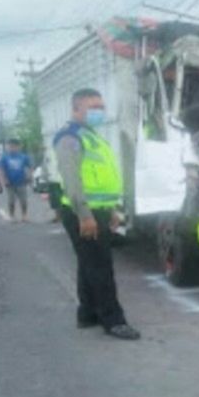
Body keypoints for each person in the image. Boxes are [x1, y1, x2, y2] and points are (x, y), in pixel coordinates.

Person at [54, 88, 141, 340]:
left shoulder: (91, 136)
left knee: (88, 264)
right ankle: (113, 320)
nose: (98, 112)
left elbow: (102, 179)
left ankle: (88, 313)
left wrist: (112, 209)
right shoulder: (69, 138)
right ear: (76, 109)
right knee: (100, 267)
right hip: (83, 212)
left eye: (101, 107)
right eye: (92, 107)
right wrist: (85, 215)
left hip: (98, 210)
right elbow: (72, 182)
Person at [0, 138, 32, 222]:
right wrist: (5, 179)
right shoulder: (4, 157)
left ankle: (24, 215)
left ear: (18, 147)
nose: (11, 148)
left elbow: (29, 167)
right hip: (10, 182)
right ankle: (12, 215)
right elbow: (2, 170)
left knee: (23, 200)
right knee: (11, 200)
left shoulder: (24, 157)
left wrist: (29, 176)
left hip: (21, 181)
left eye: (14, 146)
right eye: (10, 146)